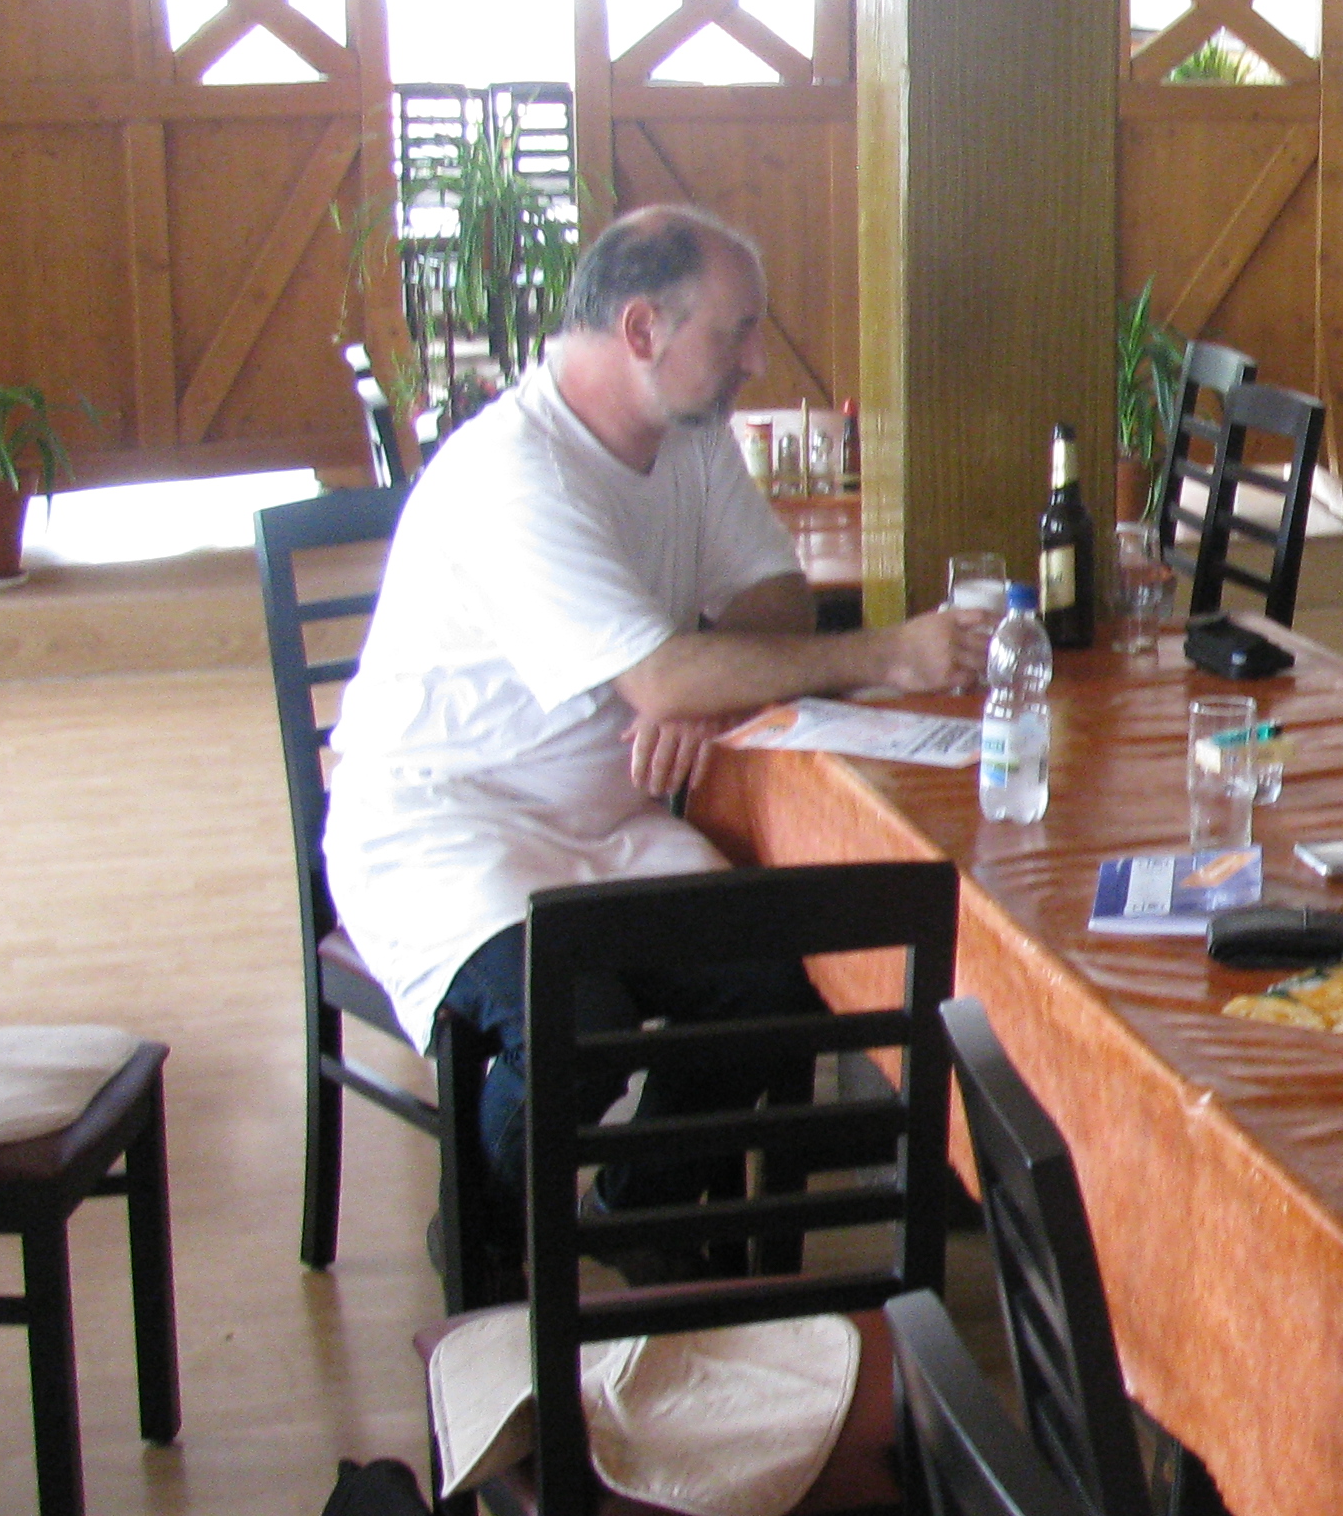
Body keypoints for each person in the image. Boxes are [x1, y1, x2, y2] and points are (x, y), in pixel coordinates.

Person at [325, 204, 980, 1289]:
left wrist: (690, 681)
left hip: (610, 821)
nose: (757, 360)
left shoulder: (689, 437)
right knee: (576, 1027)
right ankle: (485, 1233)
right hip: (445, 824)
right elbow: (676, 672)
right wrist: (886, 654)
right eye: (736, 331)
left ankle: (637, 1206)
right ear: (641, 329)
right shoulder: (513, 470)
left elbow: (770, 597)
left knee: (787, 971)